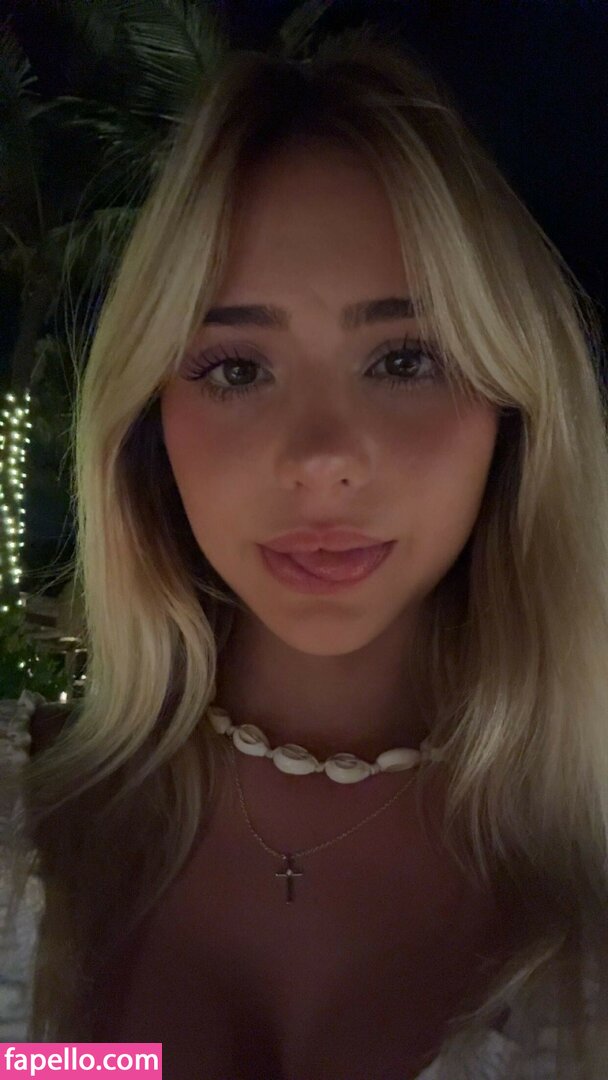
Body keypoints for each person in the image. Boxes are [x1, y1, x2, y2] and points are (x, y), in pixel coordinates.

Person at [2, 26, 608, 1080]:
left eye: (404, 359)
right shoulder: (24, 823)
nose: (321, 459)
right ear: (148, 425)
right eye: (237, 368)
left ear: (513, 409)